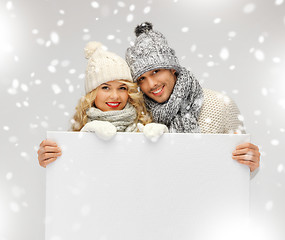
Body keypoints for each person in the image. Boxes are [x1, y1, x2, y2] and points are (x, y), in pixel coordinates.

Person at [124, 22, 260, 172]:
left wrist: (251, 164)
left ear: (172, 69)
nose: (151, 84)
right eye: (141, 79)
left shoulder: (221, 105)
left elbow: (239, 171)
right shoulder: (138, 114)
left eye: (156, 71)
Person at [38, 41, 167, 167]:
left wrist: (164, 141)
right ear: (93, 92)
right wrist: (49, 157)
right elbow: (71, 172)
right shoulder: (78, 130)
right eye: (106, 87)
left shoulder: (143, 125)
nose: (115, 96)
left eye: (122, 88)